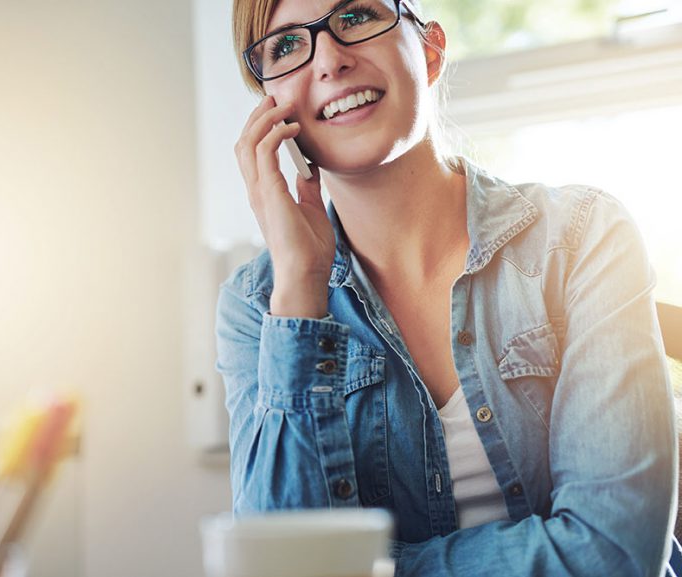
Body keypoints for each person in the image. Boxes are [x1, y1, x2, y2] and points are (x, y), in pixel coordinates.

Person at [215, 0, 679, 574]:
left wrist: (369, 568)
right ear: (269, 107)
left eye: (356, 16)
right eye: (285, 46)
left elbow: (613, 554)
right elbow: (279, 566)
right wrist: (301, 290)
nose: (330, 59)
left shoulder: (584, 236)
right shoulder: (259, 305)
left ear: (430, 50)